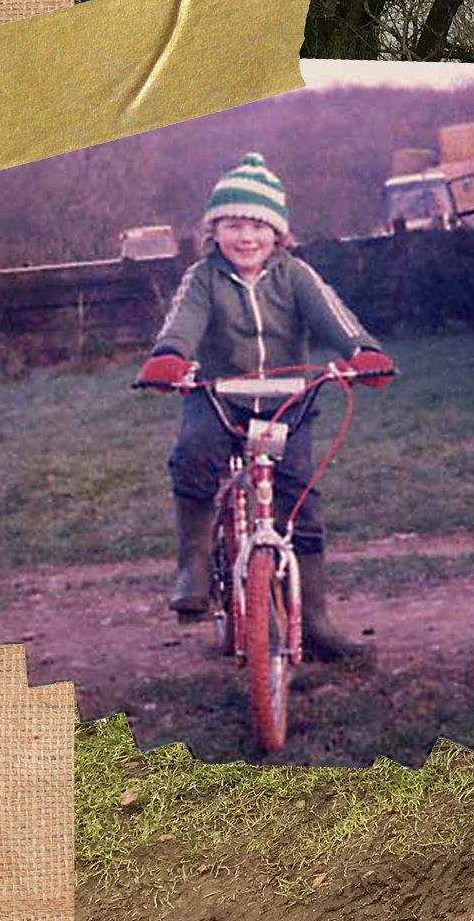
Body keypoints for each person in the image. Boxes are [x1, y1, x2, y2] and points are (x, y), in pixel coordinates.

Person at [135, 152, 396, 664]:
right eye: (233, 224)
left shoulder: (295, 275)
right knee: (192, 455)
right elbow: (182, 324)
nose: (245, 237)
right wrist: (168, 359)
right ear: (214, 232)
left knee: (301, 500)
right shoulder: (203, 277)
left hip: (289, 403)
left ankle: (315, 620)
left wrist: (362, 353)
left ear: (277, 233)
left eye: (257, 224)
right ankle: (192, 566)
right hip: (218, 399)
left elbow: (334, 319)